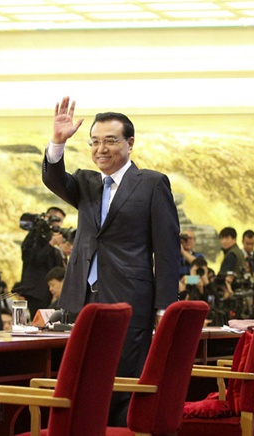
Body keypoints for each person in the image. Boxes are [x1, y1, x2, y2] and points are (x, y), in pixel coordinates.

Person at [42, 97, 181, 426]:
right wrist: (57, 142)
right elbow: (54, 179)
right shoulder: (86, 183)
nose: (100, 149)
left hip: (129, 301)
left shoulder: (151, 183)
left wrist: (164, 309)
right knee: (82, 384)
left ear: (130, 143)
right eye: (94, 142)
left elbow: (167, 252)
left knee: (121, 386)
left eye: (110, 141)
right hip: (80, 301)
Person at [20, 206, 65, 318]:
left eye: (61, 221)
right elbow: (33, 259)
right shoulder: (35, 234)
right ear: (48, 217)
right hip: (36, 290)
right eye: (56, 219)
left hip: (49, 291)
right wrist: (51, 244)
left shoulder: (51, 236)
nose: (58, 224)